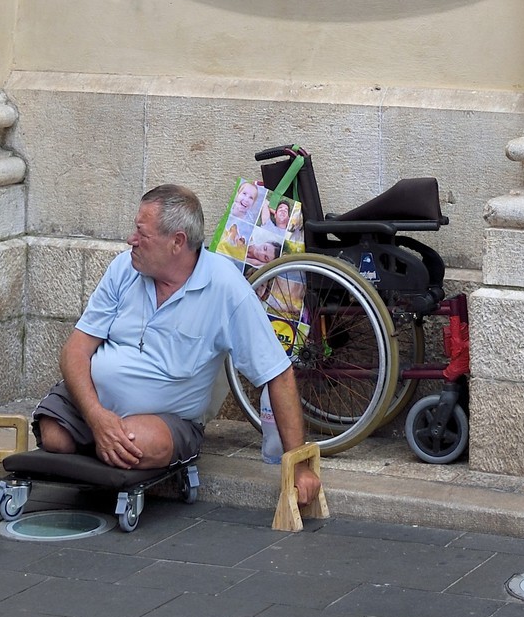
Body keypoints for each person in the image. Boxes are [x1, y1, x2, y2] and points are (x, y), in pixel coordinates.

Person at [34, 182, 321, 508]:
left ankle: (108, 444)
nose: (132, 240)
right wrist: (97, 416)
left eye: (142, 233)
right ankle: (104, 440)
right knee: (53, 436)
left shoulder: (225, 288)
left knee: (137, 443)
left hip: (166, 419)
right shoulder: (123, 268)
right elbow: (75, 349)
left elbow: (277, 373)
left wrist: (298, 466)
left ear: (177, 242)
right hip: (94, 402)